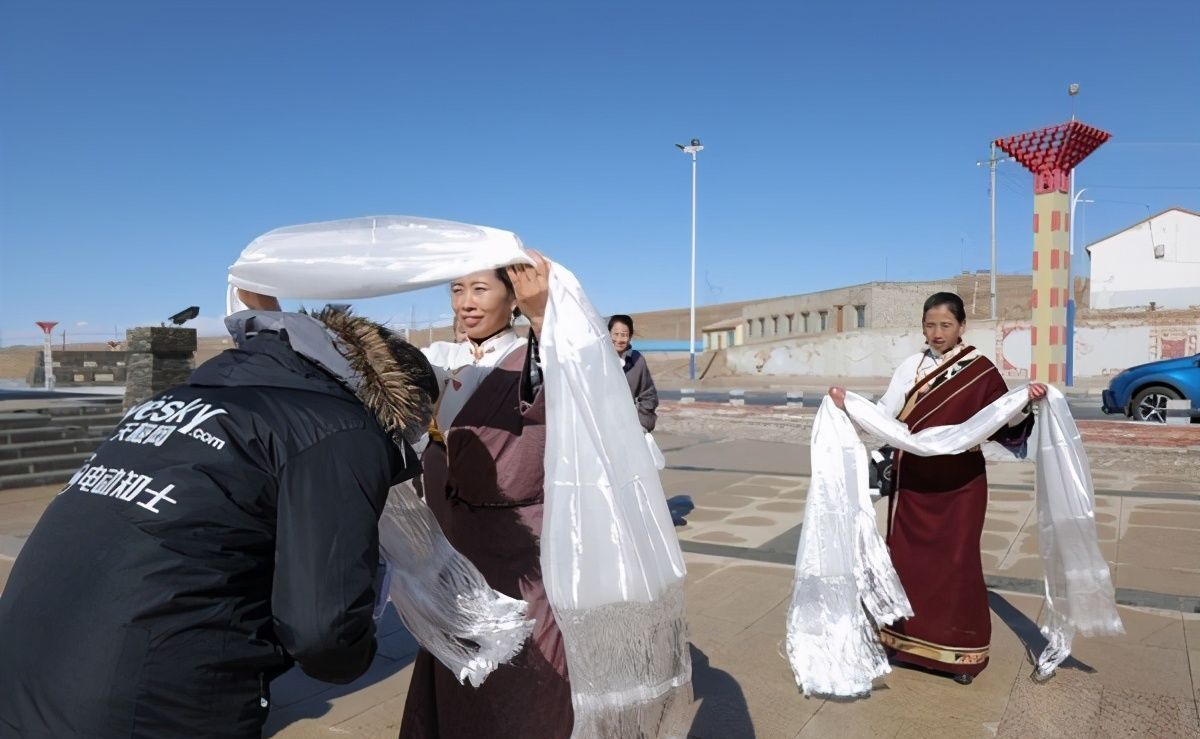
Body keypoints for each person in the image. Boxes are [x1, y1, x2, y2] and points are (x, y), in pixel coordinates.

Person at [0, 292, 437, 738]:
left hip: (26, 665)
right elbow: (323, 631)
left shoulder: (178, 401)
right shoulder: (337, 428)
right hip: (148, 696)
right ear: (401, 402)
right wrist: (356, 651)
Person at [829, 292, 1047, 685]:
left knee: (958, 563)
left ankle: (961, 656)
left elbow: (1003, 421)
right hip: (914, 479)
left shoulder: (980, 370)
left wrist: (1026, 403)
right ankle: (904, 644)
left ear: (962, 327)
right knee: (908, 562)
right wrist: (850, 406)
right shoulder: (911, 366)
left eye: (946, 325)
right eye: (930, 325)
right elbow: (885, 413)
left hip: (960, 482)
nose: (937, 333)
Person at [400, 252, 574, 738]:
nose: (466, 303)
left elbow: (557, 380)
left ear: (511, 296)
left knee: (525, 645)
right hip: (448, 530)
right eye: (457, 290)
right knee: (458, 642)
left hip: (516, 537)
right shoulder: (439, 357)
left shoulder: (529, 357)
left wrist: (541, 314)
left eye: (480, 289)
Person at [608, 314, 659, 433]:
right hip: (600, 429)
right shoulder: (598, 359)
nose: (619, 340)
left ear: (630, 337)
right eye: (615, 334)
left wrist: (642, 424)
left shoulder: (637, 360)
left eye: (624, 335)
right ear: (608, 334)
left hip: (627, 429)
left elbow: (649, 396)